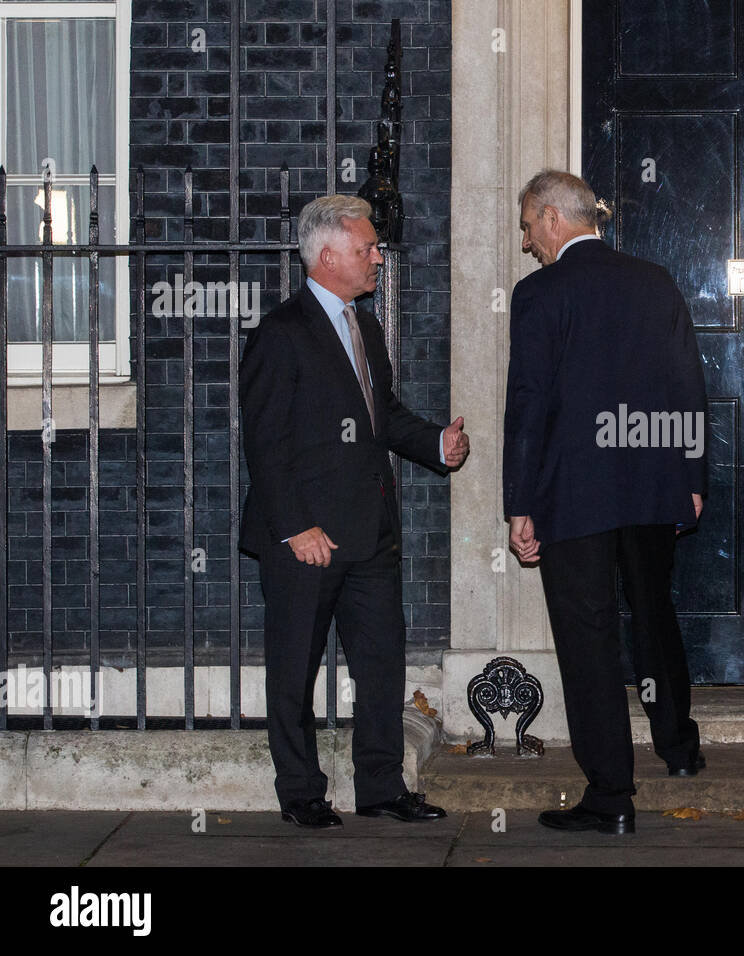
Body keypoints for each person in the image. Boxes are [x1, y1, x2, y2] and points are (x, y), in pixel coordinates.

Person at [239, 194, 469, 828]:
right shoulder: (280, 333)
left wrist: (436, 445)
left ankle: (380, 787)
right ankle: (302, 793)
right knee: (294, 667)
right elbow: (264, 442)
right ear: (328, 255)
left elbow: (381, 418)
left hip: (368, 535)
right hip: (305, 537)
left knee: (380, 665)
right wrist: (292, 527)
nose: (377, 258)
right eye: (367, 248)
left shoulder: (363, 326)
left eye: (375, 248)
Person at [504, 170, 708, 835]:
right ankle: (679, 750)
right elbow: (688, 383)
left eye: (530, 225)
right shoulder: (655, 282)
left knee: (588, 637)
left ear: (553, 218)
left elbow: (529, 408)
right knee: (653, 612)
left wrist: (520, 501)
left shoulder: (539, 294)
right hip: (653, 482)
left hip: (575, 491)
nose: (528, 239)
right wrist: (693, 475)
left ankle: (611, 797)